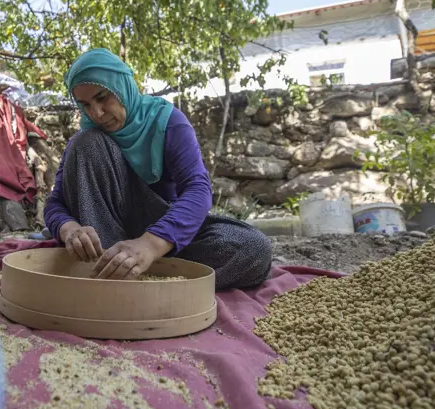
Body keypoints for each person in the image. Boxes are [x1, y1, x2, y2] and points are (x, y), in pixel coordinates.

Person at [43, 48, 273, 291]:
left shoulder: (168, 122)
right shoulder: (84, 140)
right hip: (106, 240)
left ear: (122, 86)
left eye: (102, 98)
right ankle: (120, 268)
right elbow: (55, 203)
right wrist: (70, 230)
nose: (97, 113)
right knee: (88, 142)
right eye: (86, 105)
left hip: (162, 235)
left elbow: (198, 190)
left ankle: (135, 269)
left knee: (253, 249)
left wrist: (149, 247)